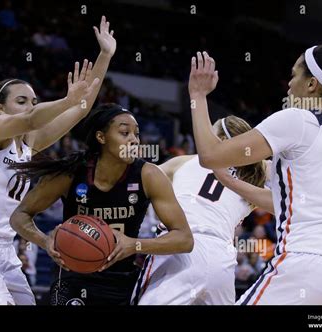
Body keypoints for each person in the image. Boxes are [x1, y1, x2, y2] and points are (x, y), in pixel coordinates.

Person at [0, 15, 117, 305]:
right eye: (21, 100)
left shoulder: (30, 144)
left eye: (33, 100)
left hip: (6, 252)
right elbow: (36, 117)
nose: (30, 106)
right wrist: (66, 101)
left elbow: (82, 108)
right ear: (0, 107)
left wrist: (105, 56)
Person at [188, 33, 322, 304]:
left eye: (294, 75)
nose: (288, 84)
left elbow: (210, 155)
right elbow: (287, 202)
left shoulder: (296, 119)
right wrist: (233, 183)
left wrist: (197, 96)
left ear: (311, 84)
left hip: (307, 265)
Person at [10, 103, 193, 305]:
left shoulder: (149, 175)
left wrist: (135, 245)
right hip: (72, 277)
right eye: (125, 132)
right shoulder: (71, 173)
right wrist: (44, 241)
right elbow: (20, 215)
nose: (134, 139)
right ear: (101, 137)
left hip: (122, 281)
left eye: (136, 134)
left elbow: (185, 239)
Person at [133, 116, 266, 305]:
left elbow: (138, 184)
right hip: (222, 259)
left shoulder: (183, 162)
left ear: (220, 139)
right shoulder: (251, 181)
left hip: (180, 246)